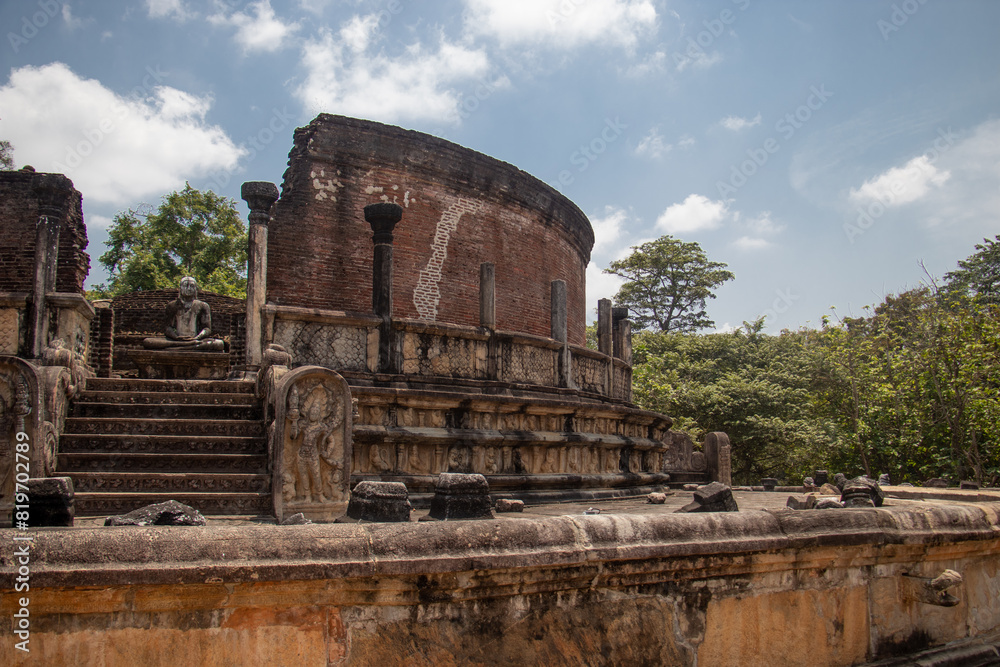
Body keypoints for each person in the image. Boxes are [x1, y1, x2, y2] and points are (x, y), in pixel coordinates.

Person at [142, 277, 224, 351]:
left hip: (196, 339)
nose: (188, 289)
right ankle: (185, 345)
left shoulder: (203, 305)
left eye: (192, 286)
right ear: (180, 288)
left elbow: (207, 329)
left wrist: (197, 337)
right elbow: (167, 327)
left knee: (219, 344)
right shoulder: (172, 305)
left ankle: (185, 345)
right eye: (185, 286)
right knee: (148, 342)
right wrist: (176, 337)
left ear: (196, 289)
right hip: (176, 340)